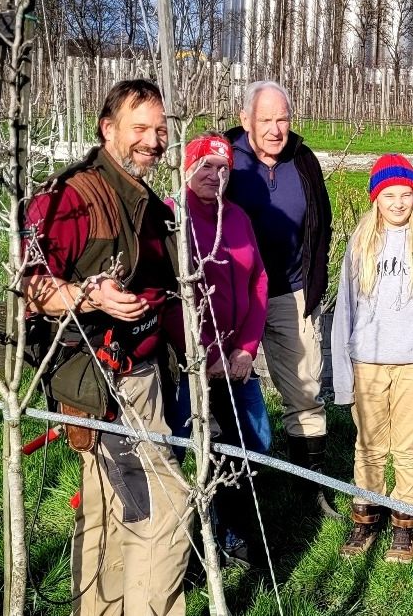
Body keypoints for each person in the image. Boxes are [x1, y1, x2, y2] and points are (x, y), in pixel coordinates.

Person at [22, 79, 192, 615]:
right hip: (102, 381)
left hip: (140, 375)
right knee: (167, 508)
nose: (153, 139)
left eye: (161, 129)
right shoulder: (73, 196)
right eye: (140, 127)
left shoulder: (145, 201)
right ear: (108, 128)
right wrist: (89, 295)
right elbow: (31, 285)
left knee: (110, 510)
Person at [331, 154, 413, 563]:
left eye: (406, 195)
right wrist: (343, 376)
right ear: (375, 198)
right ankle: (366, 515)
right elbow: (345, 310)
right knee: (368, 443)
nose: (398, 203)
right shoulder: (362, 241)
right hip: (367, 360)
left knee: (407, 444)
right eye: (389, 195)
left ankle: (406, 522)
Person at [225, 80, 338, 517]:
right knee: (225, 392)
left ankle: (309, 486)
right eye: (266, 119)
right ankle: (233, 491)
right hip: (234, 301)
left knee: (306, 391)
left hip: (291, 293)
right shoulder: (226, 161)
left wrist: (315, 278)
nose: (275, 129)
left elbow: (321, 222)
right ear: (245, 119)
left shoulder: (302, 159)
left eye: (283, 119)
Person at [163, 132, 271, 567]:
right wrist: (203, 352)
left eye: (222, 167)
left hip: (238, 360)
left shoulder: (239, 218)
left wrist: (246, 349)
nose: (214, 175)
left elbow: (258, 282)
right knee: (194, 449)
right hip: (193, 361)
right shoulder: (174, 218)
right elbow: (169, 295)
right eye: (205, 165)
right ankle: (203, 538)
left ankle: (235, 524)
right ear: (187, 168)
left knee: (257, 442)